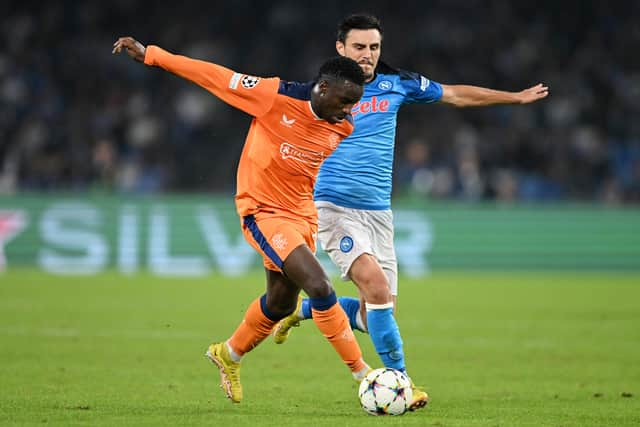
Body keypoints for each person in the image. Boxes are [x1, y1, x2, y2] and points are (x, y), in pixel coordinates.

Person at [272, 13, 550, 410]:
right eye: (358, 47)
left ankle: (306, 308)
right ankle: (403, 383)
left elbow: (454, 95)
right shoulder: (323, 91)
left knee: (374, 316)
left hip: (379, 213)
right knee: (376, 287)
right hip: (332, 206)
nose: (367, 55)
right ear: (340, 48)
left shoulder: (398, 83)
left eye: (373, 48)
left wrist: (515, 97)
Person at [112, 36, 372, 404]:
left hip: (302, 216)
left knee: (280, 302)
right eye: (344, 101)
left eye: (354, 104)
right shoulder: (273, 96)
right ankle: (366, 376)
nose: (348, 111)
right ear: (323, 87)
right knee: (319, 286)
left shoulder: (341, 127)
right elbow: (214, 76)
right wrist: (154, 56)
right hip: (262, 210)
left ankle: (227, 354)